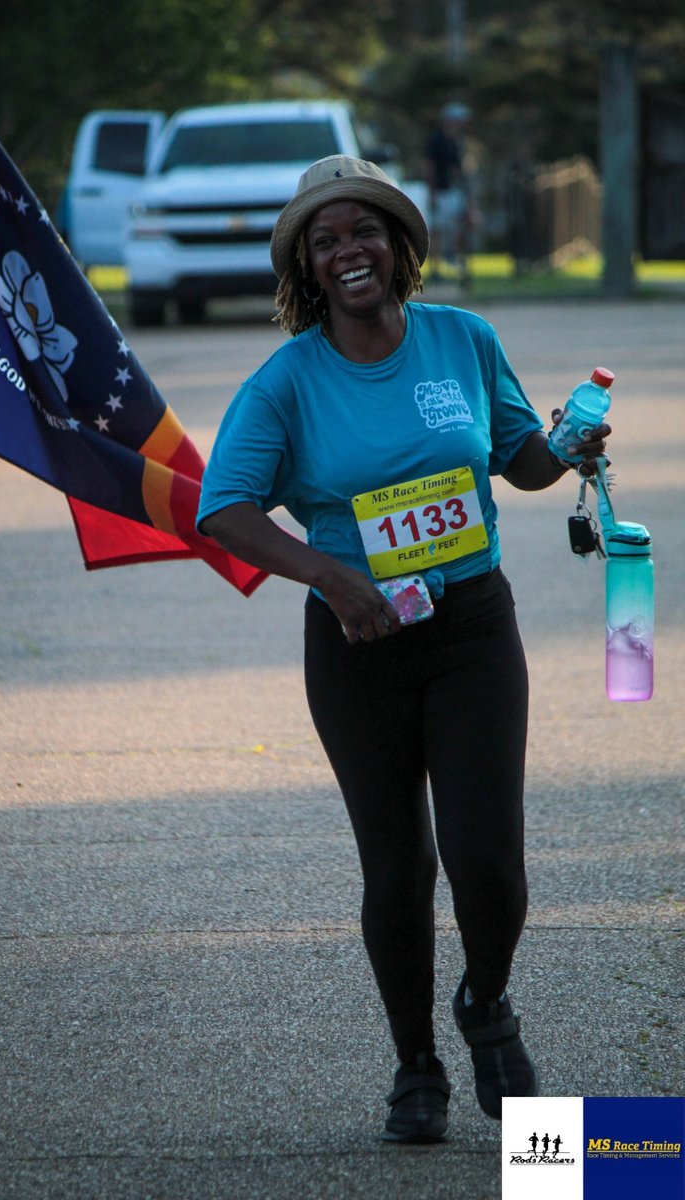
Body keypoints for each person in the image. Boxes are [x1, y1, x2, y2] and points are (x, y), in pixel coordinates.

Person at [196, 155, 611, 1143]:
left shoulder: (462, 340)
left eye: (363, 231)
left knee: (488, 863)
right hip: (358, 643)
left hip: (470, 627)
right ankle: (413, 1063)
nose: (348, 252)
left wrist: (568, 445)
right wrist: (335, 579)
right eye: (325, 239)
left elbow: (518, 460)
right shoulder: (286, 382)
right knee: (396, 868)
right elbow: (223, 509)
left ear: (398, 245)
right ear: (306, 263)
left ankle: (484, 1004)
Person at [423, 102, 475, 279]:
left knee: (463, 222)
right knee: (437, 229)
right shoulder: (436, 140)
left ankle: (458, 261)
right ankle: (435, 268)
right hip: (439, 191)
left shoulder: (456, 142)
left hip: (453, 190)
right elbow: (429, 167)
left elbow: (458, 169)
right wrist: (432, 193)